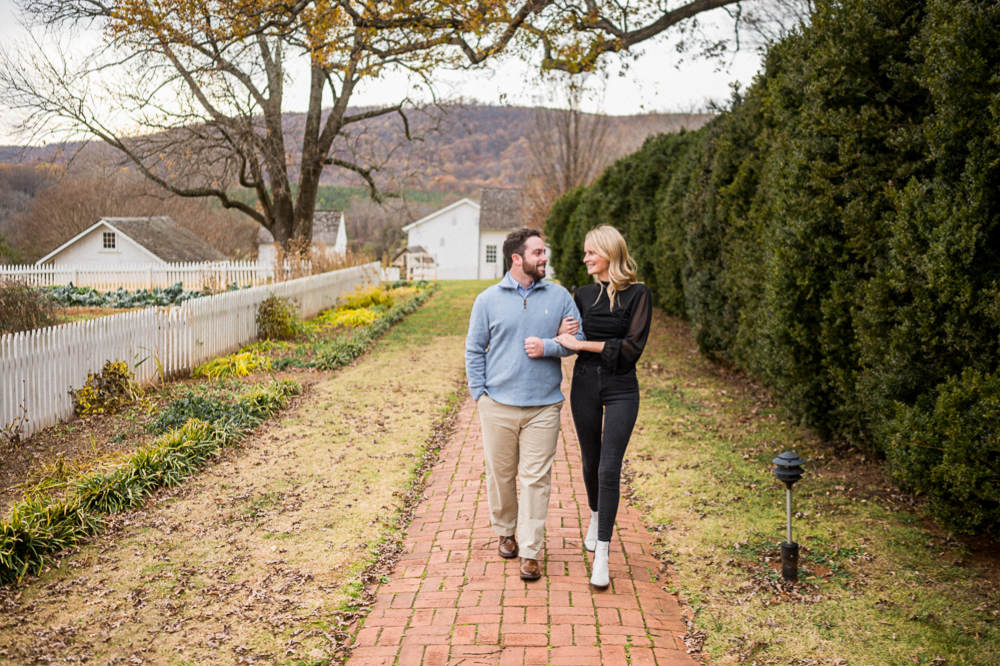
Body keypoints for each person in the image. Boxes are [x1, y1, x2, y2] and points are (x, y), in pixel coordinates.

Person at [465, 228, 586, 581]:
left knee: (536, 479)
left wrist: (549, 345)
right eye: (537, 253)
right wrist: (480, 396)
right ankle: (506, 531)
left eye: (544, 251)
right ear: (517, 258)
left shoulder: (561, 296)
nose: (544, 258)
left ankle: (531, 551)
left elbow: (577, 340)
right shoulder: (487, 300)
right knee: (501, 475)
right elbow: (474, 349)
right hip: (498, 404)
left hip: (544, 405)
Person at [554, 225, 652, 589]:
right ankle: (595, 516)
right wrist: (566, 331)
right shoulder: (582, 295)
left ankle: (603, 556)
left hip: (622, 386)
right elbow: (570, 337)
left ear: (609, 253)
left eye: (590, 253)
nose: (585, 259)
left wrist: (585, 345)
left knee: (610, 469)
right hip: (584, 384)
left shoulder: (639, 295)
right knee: (590, 461)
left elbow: (630, 349)